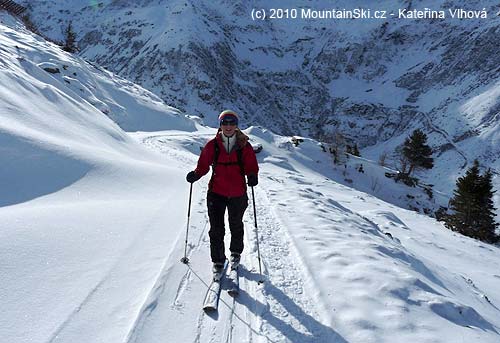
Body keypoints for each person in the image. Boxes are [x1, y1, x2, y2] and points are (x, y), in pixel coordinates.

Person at [186, 110, 259, 276]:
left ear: (236, 125)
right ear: (220, 125)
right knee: (216, 228)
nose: (228, 126)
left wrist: (253, 175)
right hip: (216, 193)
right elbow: (203, 165)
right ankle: (218, 260)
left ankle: (235, 253)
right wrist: (196, 174)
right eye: (225, 123)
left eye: (232, 122)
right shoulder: (212, 145)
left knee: (236, 224)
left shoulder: (243, 145)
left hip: (238, 193)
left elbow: (251, 165)